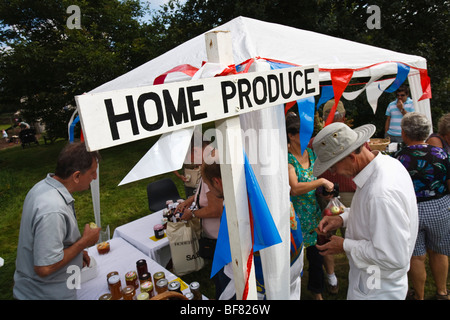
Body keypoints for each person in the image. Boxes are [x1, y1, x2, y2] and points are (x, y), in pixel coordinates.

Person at [314, 122, 418, 300]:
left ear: (351, 157)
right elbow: (372, 213)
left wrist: (344, 245)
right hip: (375, 277)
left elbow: (393, 256)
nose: (333, 172)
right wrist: (343, 219)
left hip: (378, 285)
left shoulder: (381, 193)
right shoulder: (386, 164)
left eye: (333, 166)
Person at [13, 142, 101, 300]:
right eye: (92, 173)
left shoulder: (43, 187)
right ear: (76, 176)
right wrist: (83, 242)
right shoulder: (52, 210)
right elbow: (45, 267)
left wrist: (75, 254)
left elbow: (48, 246)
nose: (95, 177)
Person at [395, 112, 450, 300]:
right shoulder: (442, 153)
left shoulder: (399, 158)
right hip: (440, 207)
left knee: (416, 256)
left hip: (412, 210)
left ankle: (418, 296)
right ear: (427, 132)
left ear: (404, 133)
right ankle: (442, 293)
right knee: (439, 250)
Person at [286, 112, 334, 300]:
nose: (307, 137)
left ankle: (317, 293)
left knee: (316, 259)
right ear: (291, 135)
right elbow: (295, 188)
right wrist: (321, 181)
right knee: (294, 261)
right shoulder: (287, 158)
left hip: (313, 215)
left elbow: (315, 183)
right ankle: (290, 293)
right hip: (294, 219)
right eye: (302, 133)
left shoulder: (311, 154)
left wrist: (325, 191)